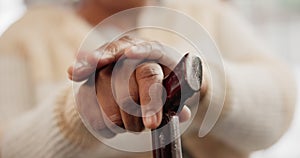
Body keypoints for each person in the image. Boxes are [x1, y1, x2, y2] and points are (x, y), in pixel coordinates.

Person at [0, 0, 297, 158]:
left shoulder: (208, 12)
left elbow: (281, 104)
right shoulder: (25, 35)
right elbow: (8, 146)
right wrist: (81, 114)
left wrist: (199, 81)